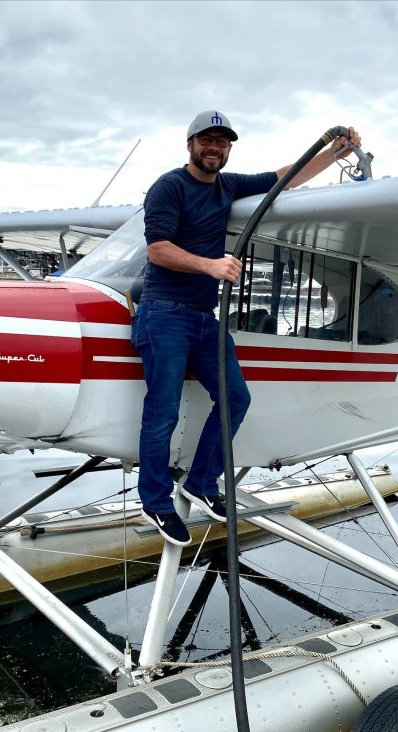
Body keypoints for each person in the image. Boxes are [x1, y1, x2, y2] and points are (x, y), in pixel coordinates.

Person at [133, 110, 361, 545]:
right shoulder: (169, 186)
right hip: (164, 312)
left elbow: (286, 178)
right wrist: (211, 265)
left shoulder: (229, 184)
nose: (214, 147)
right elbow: (159, 250)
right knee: (162, 410)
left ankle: (201, 482)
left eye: (222, 141)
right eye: (206, 140)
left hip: (202, 317)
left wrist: (335, 151)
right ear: (190, 144)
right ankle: (156, 502)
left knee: (236, 397)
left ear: (229, 148)